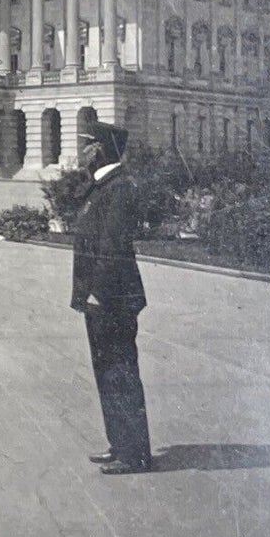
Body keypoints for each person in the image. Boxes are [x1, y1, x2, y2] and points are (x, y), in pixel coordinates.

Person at [70, 120, 152, 475]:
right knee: (108, 372)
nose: (80, 151)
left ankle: (134, 454)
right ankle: (120, 444)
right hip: (102, 299)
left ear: (99, 150)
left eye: (85, 144)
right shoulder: (103, 186)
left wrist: (97, 293)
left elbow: (113, 248)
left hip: (112, 299)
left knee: (119, 373)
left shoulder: (117, 189)